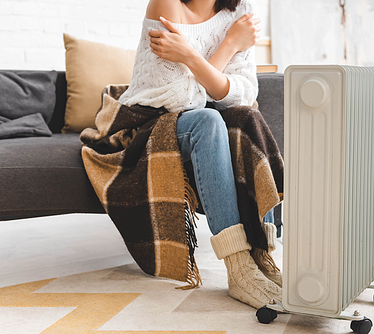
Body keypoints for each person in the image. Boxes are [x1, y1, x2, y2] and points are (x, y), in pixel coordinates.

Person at [118, 0, 282, 309]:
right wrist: (228, 45)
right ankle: (238, 269)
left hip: (198, 114)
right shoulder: (166, 5)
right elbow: (180, 99)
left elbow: (244, 93)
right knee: (208, 120)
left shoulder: (241, 10)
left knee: (248, 118)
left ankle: (262, 255)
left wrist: (190, 58)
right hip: (147, 122)